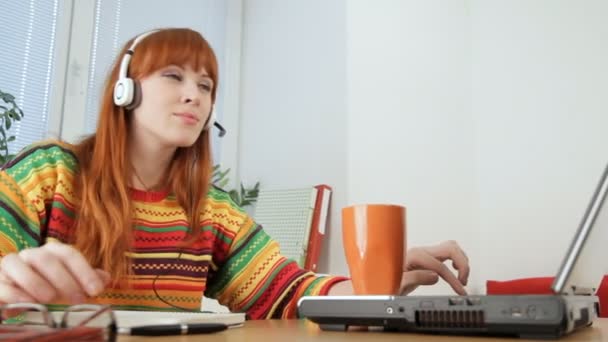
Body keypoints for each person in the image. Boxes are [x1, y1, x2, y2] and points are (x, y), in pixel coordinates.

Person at [0, 28, 469, 320]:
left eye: (205, 85)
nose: (194, 96)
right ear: (125, 90)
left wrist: (383, 278)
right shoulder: (49, 173)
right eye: (172, 76)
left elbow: (288, 292)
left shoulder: (212, 209)